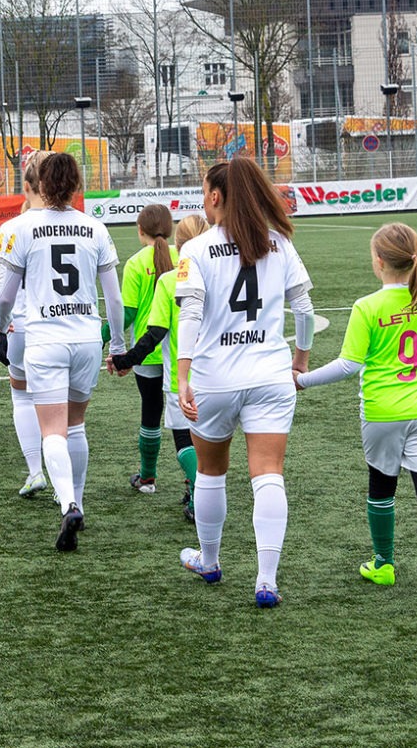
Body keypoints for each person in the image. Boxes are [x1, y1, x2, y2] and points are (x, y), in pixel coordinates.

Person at [172, 158, 314, 608]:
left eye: (203, 191)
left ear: (215, 197)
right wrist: (300, 361)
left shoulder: (195, 249)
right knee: (268, 473)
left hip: (215, 376)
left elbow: (190, 314)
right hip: (271, 374)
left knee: (211, 470)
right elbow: (305, 311)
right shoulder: (280, 244)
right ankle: (266, 579)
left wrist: (182, 373)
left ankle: (210, 562)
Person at [297, 223, 417, 603]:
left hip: (382, 411)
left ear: (378, 262)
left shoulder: (367, 307)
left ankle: (384, 564)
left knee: (382, 487)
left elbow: (348, 365)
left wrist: (302, 381)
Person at [0, 152, 126, 553]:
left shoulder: (20, 228)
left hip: (44, 338)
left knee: (51, 429)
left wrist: (1, 326)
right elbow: (114, 298)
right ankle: (79, 502)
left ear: (39, 184)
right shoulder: (95, 228)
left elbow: (4, 296)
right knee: (76, 426)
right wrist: (117, 343)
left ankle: (67, 502)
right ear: (77, 185)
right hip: (87, 337)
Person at [108, 214, 210, 522]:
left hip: (181, 374)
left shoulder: (169, 279)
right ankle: (197, 489)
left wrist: (124, 358)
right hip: (217, 372)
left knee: (180, 439)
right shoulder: (217, 274)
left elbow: (154, 333)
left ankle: (200, 494)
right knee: (206, 438)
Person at [0, 158, 48, 495]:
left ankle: (35, 470)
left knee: (22, 397)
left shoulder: (12, 228)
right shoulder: (83, 224)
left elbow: (3, 290)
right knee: (65, 410)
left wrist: (1, 326)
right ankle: (69, 491)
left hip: (22, 325)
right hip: (63, 324)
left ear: (26, 186)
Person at [118, 203, 178, 494]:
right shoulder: (187, 256)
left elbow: (127, 313)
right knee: (186, 418)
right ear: (170, 228)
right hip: (180, 350)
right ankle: (195, 482)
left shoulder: (135, 263)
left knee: (151, 410)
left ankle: (148, 478)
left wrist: (104, 335)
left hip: (146, 350)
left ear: (140, 231)